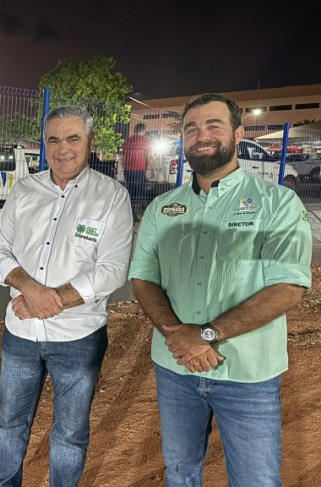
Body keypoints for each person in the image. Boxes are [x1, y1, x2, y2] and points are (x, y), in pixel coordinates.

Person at [128, 93, 312, 486]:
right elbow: (143, 278)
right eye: (191, 128)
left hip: (248, 373)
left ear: (238, 133)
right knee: (180, 473)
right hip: (174, 368)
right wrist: (177, 336)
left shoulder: (276, 203)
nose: (201, 135)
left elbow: (289, 286)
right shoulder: (163, 208)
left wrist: (207, 335)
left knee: (255, 479)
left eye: (213, 125)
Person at [0, 106, 134, 487]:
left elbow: (111, 270)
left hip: (79, 337)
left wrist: (49, 301)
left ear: (89, 143)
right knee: (9, 427)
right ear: (44, 144)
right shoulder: (24, 190)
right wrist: (32, 292)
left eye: (73, 139)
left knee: (70, 434)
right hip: (20, 334)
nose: (63, 149)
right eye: (54, 140)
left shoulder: (111, 196)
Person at [122, 122, 153, 218]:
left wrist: (124, 168)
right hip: (139, 169)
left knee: (131, 191)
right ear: (144, 131)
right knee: (140, 191)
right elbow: (149, 156)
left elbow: (123, 157)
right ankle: (144, 212)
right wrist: (152, 168)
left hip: (128, 170)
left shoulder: (127, 141)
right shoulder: (146, 141)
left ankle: (132, 213)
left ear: (135, 130)